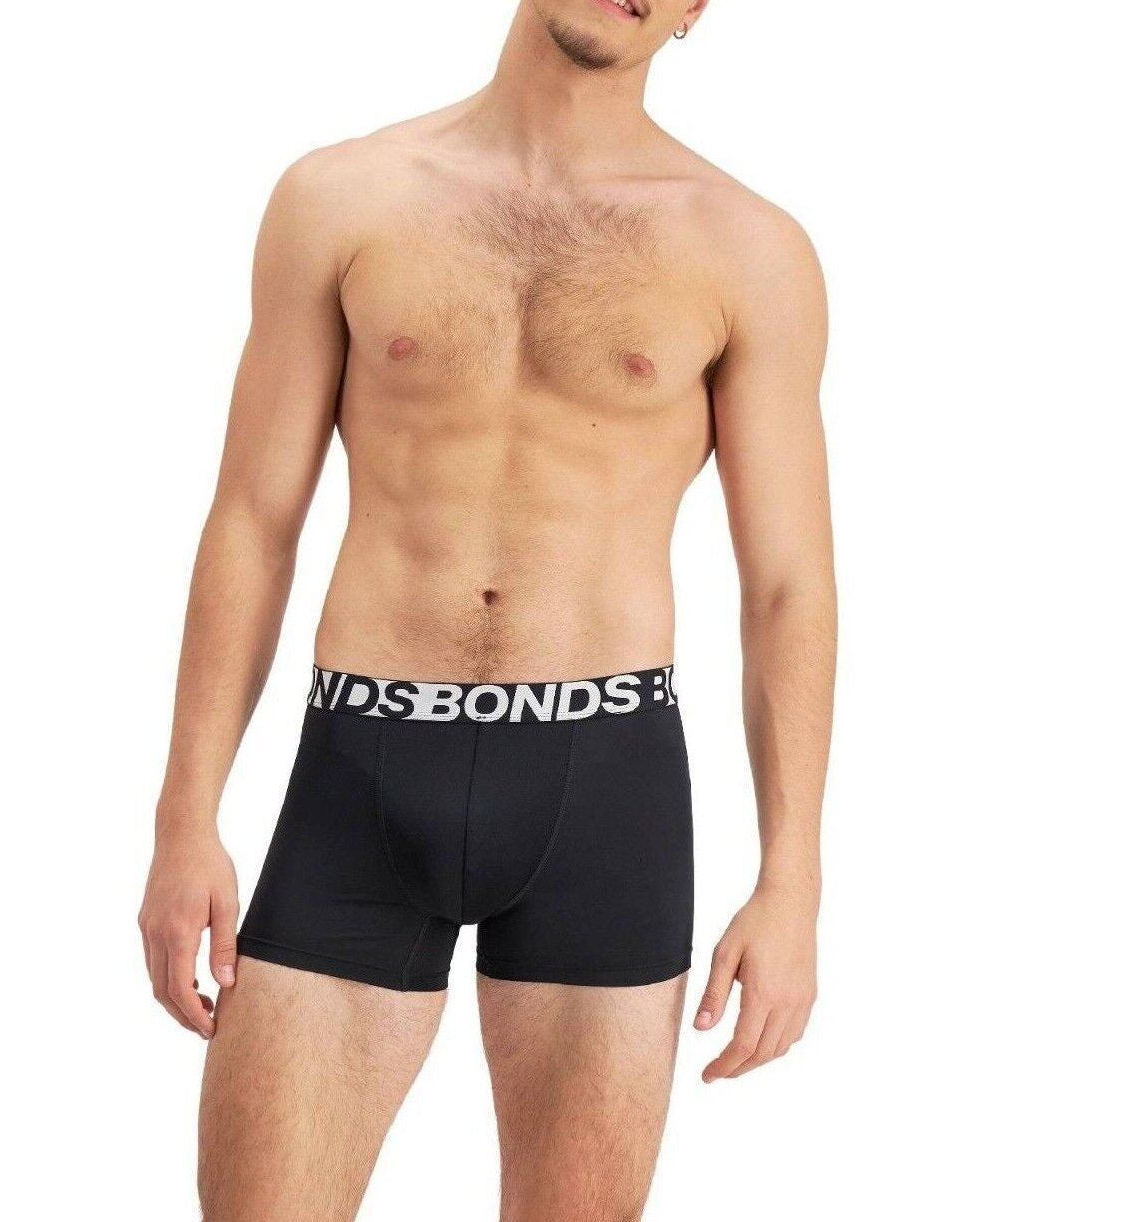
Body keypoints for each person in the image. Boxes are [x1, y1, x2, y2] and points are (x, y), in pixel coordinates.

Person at [138, 1, 836, 1216]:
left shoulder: (747, 249)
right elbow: (252, 518)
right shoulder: (340, 199)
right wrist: (182, 817)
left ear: (696, 11)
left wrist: (793, 880)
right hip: (360, 766)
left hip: (604, 785)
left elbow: (786, 586)